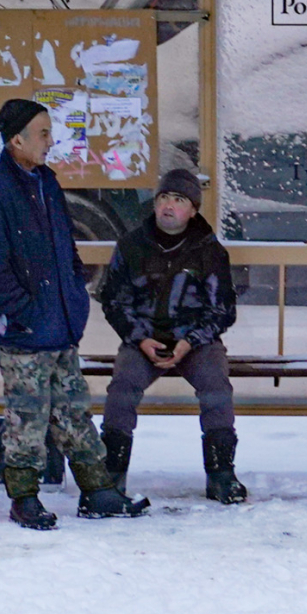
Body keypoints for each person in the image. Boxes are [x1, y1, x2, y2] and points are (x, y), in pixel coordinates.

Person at [0, 99, 148, 529]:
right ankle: (24, 498)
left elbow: (65, 248)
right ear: (17, 140)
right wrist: (26, 313)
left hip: (60, 323)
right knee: (27, 416)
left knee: (73, 411)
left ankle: (98, 490)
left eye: (50, 131)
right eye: (43, 133)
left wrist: (74, 292)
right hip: (25, 330)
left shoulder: (45, 182)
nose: (51, 141)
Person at [99, 168, 247, 504]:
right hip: (144, 339)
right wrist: (139, 338)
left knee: (216, 387)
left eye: (178, 200)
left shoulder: (209, 251)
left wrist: (190, 341)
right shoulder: (132, 245)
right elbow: (113, 300)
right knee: (122, 387)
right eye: (164, 197)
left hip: (194, 341)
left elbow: (223, 309)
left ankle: (222, 474)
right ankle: (111, 474)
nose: (168, 205)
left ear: (193, 209)